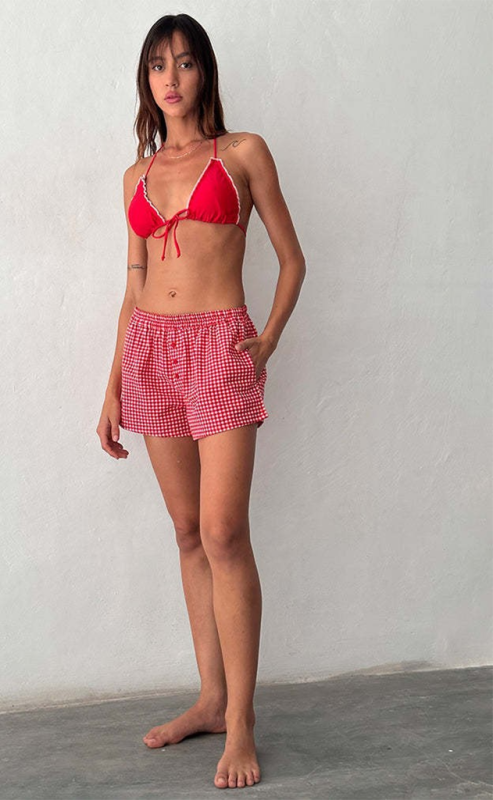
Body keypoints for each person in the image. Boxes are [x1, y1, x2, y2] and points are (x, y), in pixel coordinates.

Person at [97, 13, 306, 791]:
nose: (171, 77)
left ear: (204, 72)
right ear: (146, 80)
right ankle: (212, 700)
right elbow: (134, 287)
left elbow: (292, 259)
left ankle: (243, 720)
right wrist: (113, 384)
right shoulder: (137, 176)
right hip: (152, 352)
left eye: (184, 62)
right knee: (187, 531)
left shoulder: (243, 153)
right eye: (158, 65)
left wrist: (268, 340)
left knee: (224, 531)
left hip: (221, 345)